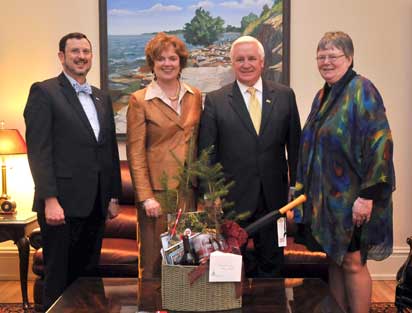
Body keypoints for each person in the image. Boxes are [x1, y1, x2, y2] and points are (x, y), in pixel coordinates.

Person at [293, 31, 395, 313]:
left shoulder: (363, 90)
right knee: (335, 259)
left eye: (333, 56)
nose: (326, 62)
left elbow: (380, 143)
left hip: (354, 199)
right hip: (328, 201)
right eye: (321, 56)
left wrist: (367, 196)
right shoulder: (322, 95)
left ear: (349, 58)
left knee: (352, 262)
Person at [24, 32, 121, 310]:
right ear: (61, 57)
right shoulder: (44, 92)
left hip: (95, 204)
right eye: (75, 51)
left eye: (86, 52)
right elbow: (39, 151)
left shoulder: (101, 97)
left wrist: (112, 195)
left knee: (87, 278)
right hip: (62, 206)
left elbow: (109, 149)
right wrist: (50, 199)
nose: (81, 56)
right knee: (58, 277)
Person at [198, 36, 301, 277]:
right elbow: (206, 154)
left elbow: (295, 147)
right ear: (232, 63)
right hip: (232, 201)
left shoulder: (285, 96)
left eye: (251, 58)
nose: (246, 64)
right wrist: (211, 195)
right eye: (240, 59)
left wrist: (296, 189)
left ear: (262, 62)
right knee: (229, 269)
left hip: (275, 202)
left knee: (273, 264)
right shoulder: (216, 100)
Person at [126, 32, 202, 279]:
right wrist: (146, 197)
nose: (167, 63)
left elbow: (199, 143)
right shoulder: (139, 100)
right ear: (152, 64)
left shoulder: (195, 95)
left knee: (186, 261)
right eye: (161, 59)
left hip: (188, 191)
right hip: (156, 196)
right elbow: (135, 153)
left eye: (173, 58)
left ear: (181, 62)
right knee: (153, 262)